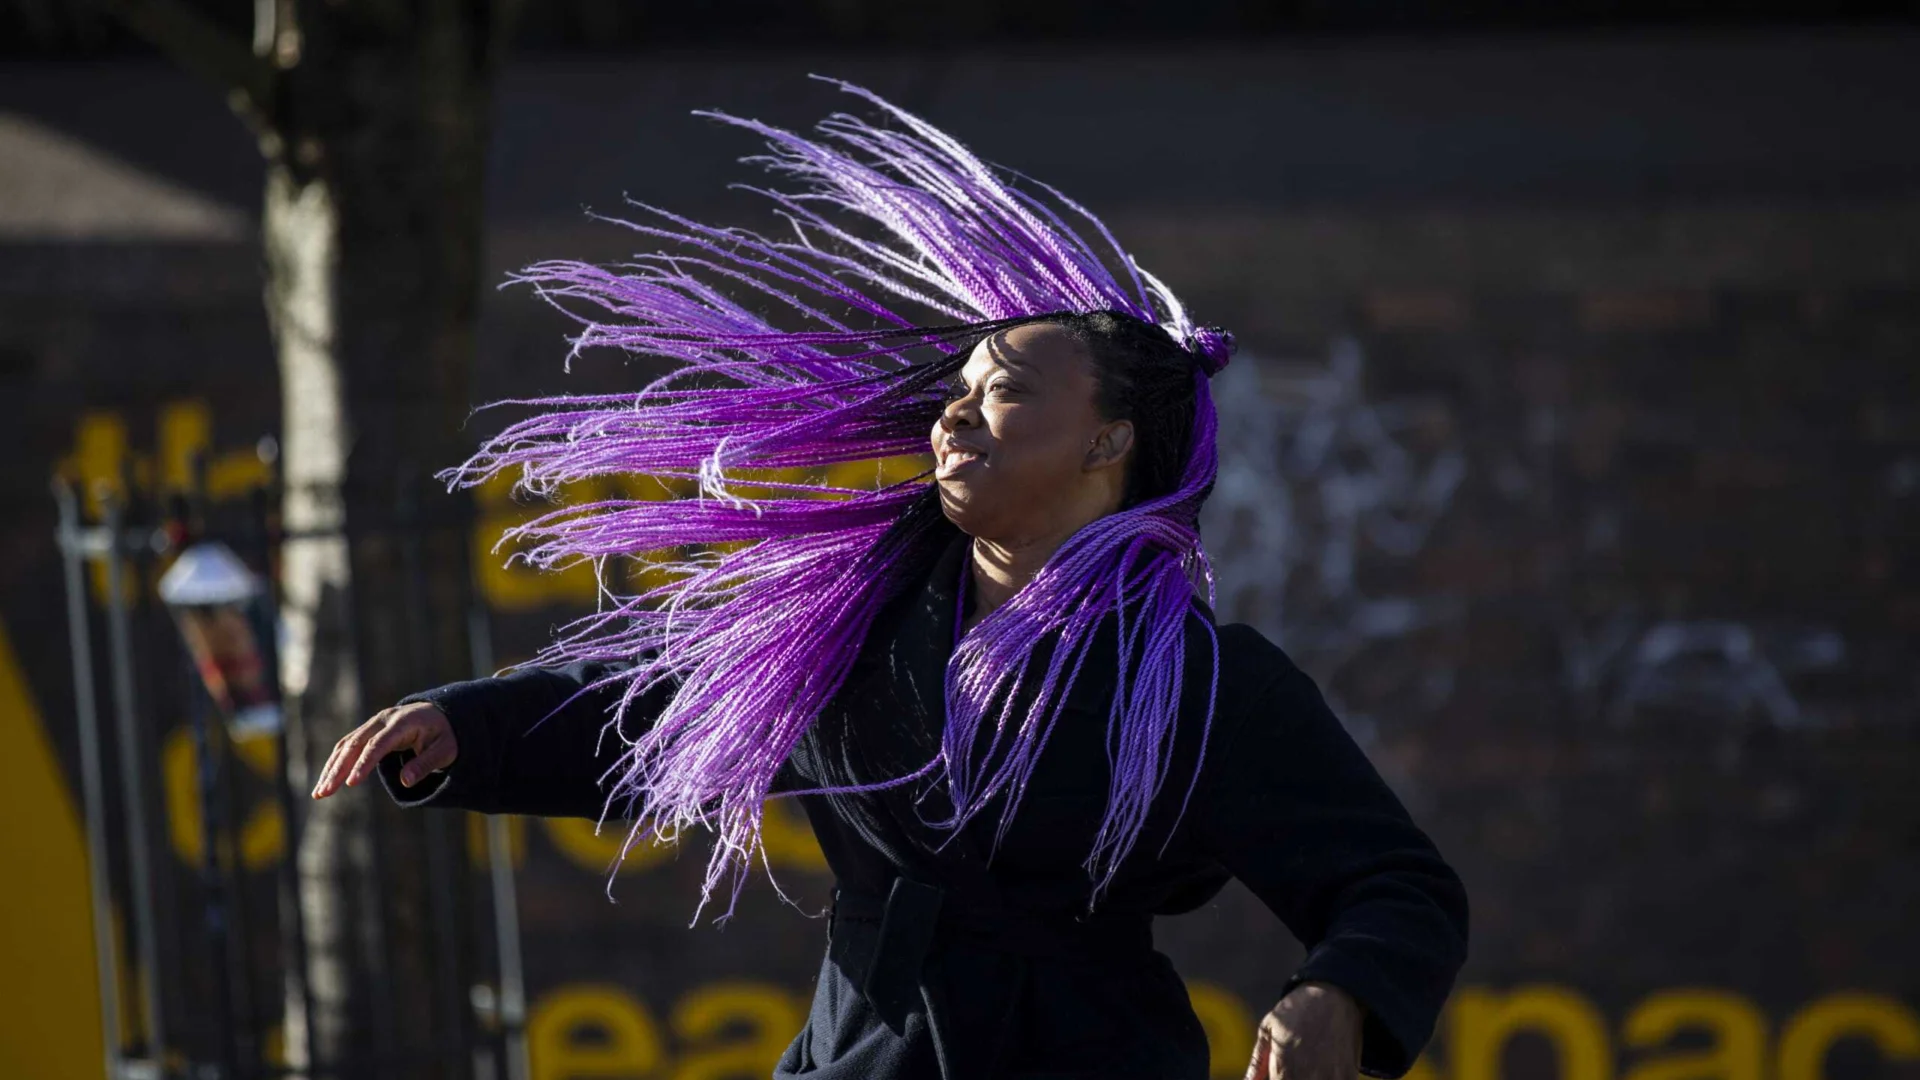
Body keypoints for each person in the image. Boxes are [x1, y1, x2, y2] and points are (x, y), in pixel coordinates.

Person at [310, 80, 1468, 1080]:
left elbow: (1396, 888)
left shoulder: (1203, 683)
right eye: (957, 389)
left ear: (1109, 444)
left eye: (1006, 391)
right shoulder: (849, 619)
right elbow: (659, 705)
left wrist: (1338, 994)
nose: (957, 410)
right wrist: (471, 728)